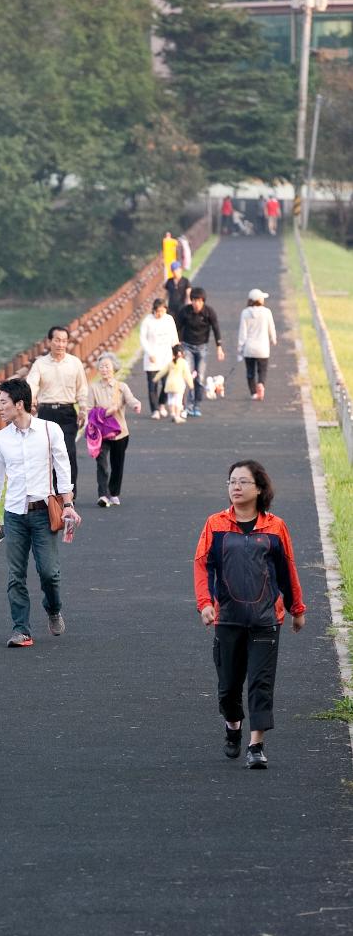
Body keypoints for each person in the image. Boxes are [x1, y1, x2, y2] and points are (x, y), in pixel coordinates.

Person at [193, 461, 306, 769]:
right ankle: (233, 726)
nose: (236, 487)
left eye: (243, 482)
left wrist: (297, 609)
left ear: (259, 489)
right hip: (227, 618)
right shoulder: (215, 524)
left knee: (260, 682)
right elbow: (203, 565)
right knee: (229, 687)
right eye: (231, 482)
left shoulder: (275, 527)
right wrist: (205, 603)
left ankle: (256, 745)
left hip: (266, 619)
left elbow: (287, 569)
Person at [0, 377, 77, 647]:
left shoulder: (50, 430)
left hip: (43, 513)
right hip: (14, 515)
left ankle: (53, 608)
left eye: (3, 402)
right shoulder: (1, 439)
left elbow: (63, 469)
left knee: (49, 573)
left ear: (19, 404)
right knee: (15, 575)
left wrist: (68, 504)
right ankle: (21, 629)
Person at [25, 326, 88, 499]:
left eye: (64, 340)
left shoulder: (74, 363)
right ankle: (52, 494)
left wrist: (83, 409)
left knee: (68, 452)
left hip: (67, 412)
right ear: (49, 341)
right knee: (47, 455)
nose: (61, 344)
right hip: (46, 413)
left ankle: (69, 494)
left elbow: (82, 388)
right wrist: (31, 399)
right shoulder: (40, 363)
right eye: (57, 340)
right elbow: (32, 384)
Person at [87, 351, 141, 507]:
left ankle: (114, 493)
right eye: (101, 366)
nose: (104, 369)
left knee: (117, 465)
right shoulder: (93, 388)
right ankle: (103, 494)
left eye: (107, 366)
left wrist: (136, 404)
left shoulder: (121, 387)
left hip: (120, 433)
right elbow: (90, 409)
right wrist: (105, 412)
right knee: (102, 464)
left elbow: (130, 399)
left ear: (114, 368)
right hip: (100, 433)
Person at [176, 287, 225, 417]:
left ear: (203, 301)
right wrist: (177, 347)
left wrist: (219, 347)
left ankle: (196, 404)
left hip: (202, 347)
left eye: (199, 301)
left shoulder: (209, 312)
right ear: (191, 301)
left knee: (200, 378)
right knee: (188, 377)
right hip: (187, 347)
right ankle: (187, 405)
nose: (196, 303)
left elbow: (216, 329)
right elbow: (177, 328)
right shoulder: (185, 312)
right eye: (194, 300)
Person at [140, 297, 180, 417]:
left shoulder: (169, 319)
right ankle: (155, 409)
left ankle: (162, 403)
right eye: (158, 311)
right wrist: (149, 353)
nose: (160, 314)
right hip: (152, 358)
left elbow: (174, 336)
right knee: (153, 385)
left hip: (166, 357)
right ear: (154, 310)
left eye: (162, 311)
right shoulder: (147, 321)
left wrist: (177, 351)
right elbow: (143, 338)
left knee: (167, 383)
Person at [237, 288, 277, 401]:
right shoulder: (267, 312)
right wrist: (273, 339)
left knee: (250, 372)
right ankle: (261, 383)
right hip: (263, 348)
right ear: (259, 300)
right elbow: (271, 328)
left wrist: (240, 349)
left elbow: (242, 333)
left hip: (249, 348)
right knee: (262, 370)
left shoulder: (245, 313)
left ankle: (253, 393)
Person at [153, 344, 194, 423]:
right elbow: (187, 375)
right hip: (179, 385)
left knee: (171, 400)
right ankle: (177, 416)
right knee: (178, 401)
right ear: (182, 353)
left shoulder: (171, 362)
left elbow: (163, 371)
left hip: (169, 384)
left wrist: (156, 378)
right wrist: (191, 384)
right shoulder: (183, 363)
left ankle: (172, 413)